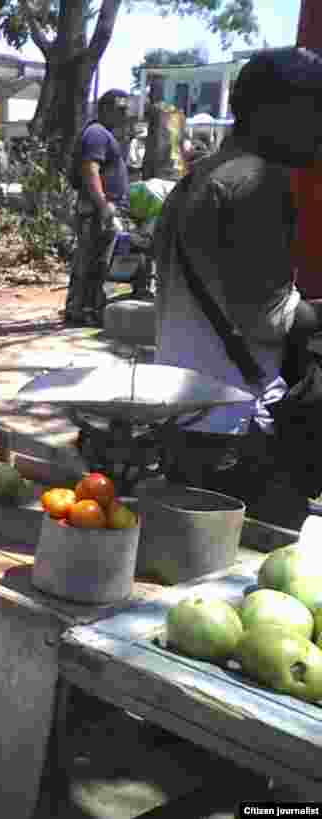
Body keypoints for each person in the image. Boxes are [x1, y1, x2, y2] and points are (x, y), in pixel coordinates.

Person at [153, 46, 322, 531]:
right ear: (276, 111)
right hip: (240, 436)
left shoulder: (199, 179)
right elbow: (268, 320)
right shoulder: (259, 183)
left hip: (188, 423)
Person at [65, 89, 131, 326]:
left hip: (99, 209)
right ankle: (85, 310)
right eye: (120, 109)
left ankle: (84, 308)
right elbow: (90, 169)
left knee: (96, 260)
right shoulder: (97, 133)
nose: (125, 114)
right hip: (97, 210)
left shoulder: (104, 134)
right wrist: (103, 205)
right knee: (94, 261)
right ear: (105, 109)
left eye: (127, 109)